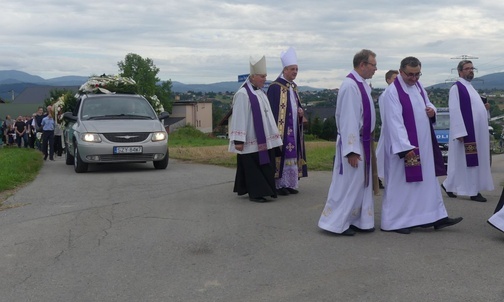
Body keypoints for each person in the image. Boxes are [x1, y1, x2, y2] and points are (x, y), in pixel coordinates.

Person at [379, 56, 463, 234]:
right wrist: (405, 147)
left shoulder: (418, 86)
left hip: (424, 145)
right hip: (406, 147)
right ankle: (397, 221)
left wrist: (431, 110)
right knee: (402, 185)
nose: (414, 78)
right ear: (401, 71)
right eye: (410, 74)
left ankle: (435, 216)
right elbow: (394, 122)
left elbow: (427, 103)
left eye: (418, 74)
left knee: (428, 182)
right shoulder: (391, 93)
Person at [318, 49, 377, 236]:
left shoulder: (362, 84)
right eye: (373, 65)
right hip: (354, 143)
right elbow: (349, 119)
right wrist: (351, 150)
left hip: (363, 140)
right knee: (348, 185)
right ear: (362, 65)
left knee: (360, 184)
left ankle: (357, 220)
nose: (375, 69)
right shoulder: (351, 86)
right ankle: (336, 223)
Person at [228, 56, 283, 202]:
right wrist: (238, 140)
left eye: (265, 76)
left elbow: (268, 116)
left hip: (264, 139)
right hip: (251, 139)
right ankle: (257, 193)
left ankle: (266, 190)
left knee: (266, 164)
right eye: (262, 76)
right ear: (252, 77)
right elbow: (239, 117)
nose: (265, 79)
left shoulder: (260, 93)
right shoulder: (243, 94)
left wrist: (274, 137)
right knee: (254, 167)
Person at [441, 60, 493, 202]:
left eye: (472, 68)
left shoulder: (470, 88)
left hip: (477, 132)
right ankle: (473, 191)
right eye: (467, 68)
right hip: (465, 133)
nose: (471, 71)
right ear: (459, 72)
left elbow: (476, 109)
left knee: (462, 162)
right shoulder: (456, 88)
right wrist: (459, 132)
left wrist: (485, 109)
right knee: (469, 162)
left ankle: (449, 184)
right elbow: (455, 110)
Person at [266, 47, 307, 196]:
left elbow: (297, 106)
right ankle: (278, 184)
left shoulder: (293, 87)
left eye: (296, 69)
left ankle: (289, 183)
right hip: (281, 129)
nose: (295, 72)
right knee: (281, 155)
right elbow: (271, 110)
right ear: (284, 70)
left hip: (294, 128)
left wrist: (300, 113)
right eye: (292, 69)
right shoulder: (275, 87)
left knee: (292, 154)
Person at [376, 70, 399, 188]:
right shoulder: (385, 95)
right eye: (395, 79)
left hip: (395, 129)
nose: (397, 81)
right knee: (382, 154)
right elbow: (386, 115)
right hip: (389, 129)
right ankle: (376, 176)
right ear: (388, 80)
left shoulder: (397, 93)